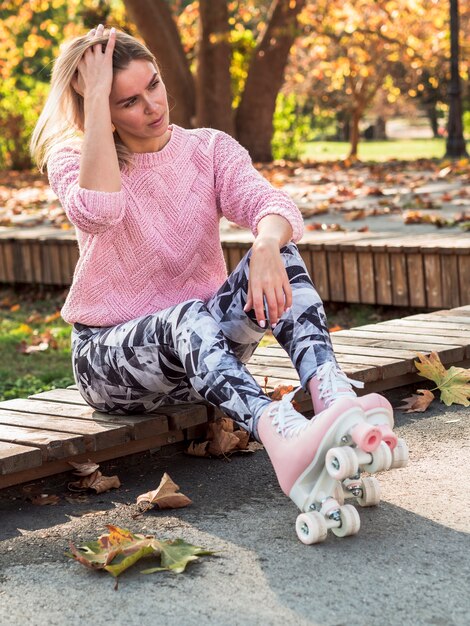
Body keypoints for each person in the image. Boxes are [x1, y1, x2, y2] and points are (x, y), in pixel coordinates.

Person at [31, 25, 404, 541]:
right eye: (128, 101)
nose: (153, 106)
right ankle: (281, 433)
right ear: (102, 110)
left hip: (206, 354)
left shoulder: (206, 149)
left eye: (154, 85)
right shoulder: (74, 158)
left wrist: (267, 245)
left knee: (280, 254)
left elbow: (273, 207)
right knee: (189, 315)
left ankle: (331, 394)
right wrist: (92, 98)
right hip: (112, 362)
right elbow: (99, 211)